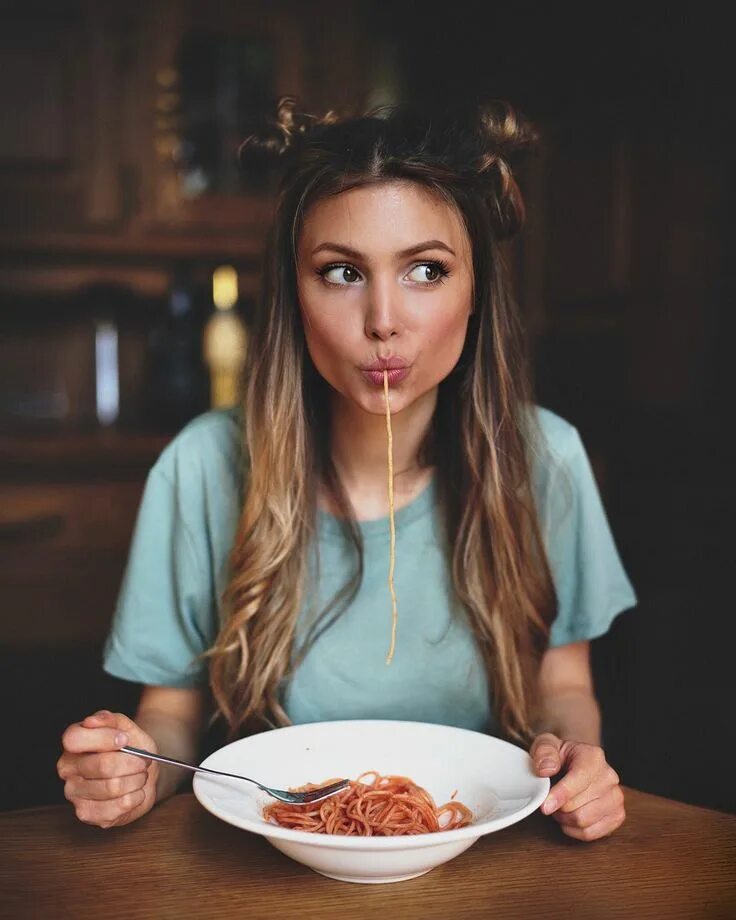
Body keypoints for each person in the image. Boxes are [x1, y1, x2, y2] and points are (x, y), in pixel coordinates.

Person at [57, 96, 636, 841]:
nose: (383, 319)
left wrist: (574, 760)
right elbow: (170, 717)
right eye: (341, 273)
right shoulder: (200, 467)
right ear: (294, 294)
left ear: (477, 291)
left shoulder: (546, 460)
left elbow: (563, 686)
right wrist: (135, 766)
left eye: (427, 269)